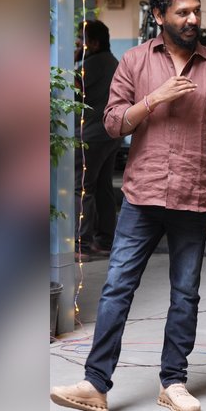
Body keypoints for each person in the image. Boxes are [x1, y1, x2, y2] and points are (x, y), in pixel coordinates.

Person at [51, 0, 206, 411]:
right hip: (143, 194)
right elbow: (115, 122)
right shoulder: (135, 62)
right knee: (118, 287)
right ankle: (95, 385)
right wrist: (154, 98)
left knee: (186, 293)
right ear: (159, 16)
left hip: (196, 196)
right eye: (183, 12)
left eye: (196, 10)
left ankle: (173, 382)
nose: (193, 18)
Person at [74, 20, 122, 259]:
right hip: (110, 135)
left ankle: (81, 244)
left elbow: (69, 88)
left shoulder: (90, 65)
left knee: (81, 189)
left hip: (89, 137)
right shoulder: (114, 63)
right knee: (103, 188)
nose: (78, 44)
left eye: (81, 40)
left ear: (93, 42)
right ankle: (105, 240)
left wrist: (72, 59)